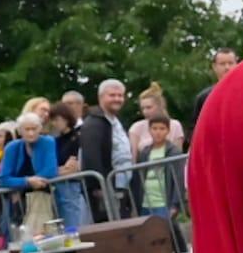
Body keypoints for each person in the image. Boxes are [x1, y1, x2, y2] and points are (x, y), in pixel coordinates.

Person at [79, 78, 133, 221]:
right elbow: (91, 156)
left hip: (120, 185)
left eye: (120, 95)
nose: (117, 99)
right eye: (112, 95)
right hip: (105, 189)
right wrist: (100, 186)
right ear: (101, 97)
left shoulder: (114, 121)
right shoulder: (94, 123)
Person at [185, 47, 238, 149]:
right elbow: (194, 129)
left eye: (230, 63)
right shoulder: (204, 97)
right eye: (222, 64)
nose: (227, 67)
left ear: (237, 63)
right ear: (214, 67)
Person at [135, 115, 185, 219]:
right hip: (146, 202)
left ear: (168, 131)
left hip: (163, 203)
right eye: (154, 128)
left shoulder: (174, 152)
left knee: (163, 232)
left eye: (162, 129)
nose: (158, 132)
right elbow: (138, 177)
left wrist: (175, 204)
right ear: (149, 130)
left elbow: (178, 178)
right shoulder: (144, 152)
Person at [126, 83, 185, 156]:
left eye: (149, 107)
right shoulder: (136, 127)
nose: (145, 112)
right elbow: (133, 157)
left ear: (160, 106)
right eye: (142, 108)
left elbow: (178, 155)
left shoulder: (175, 125)